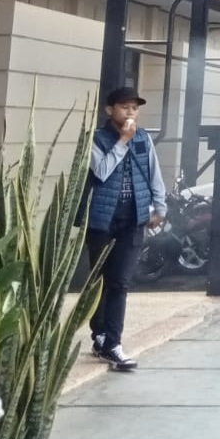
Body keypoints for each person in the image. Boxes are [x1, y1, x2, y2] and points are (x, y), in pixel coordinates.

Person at [82, 87, 167, 372]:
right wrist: (122, 141)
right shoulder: (95, 139)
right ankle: (100, 334)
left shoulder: (143, 138)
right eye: (124, 107)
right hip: (103, 220)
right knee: (100, 281)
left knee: (119, 282)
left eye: (134, 108)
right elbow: (102, 170)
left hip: (133, 218)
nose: (130, 112)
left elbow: (154, 172)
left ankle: (113, 344)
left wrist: (160, 206)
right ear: (110, 110)